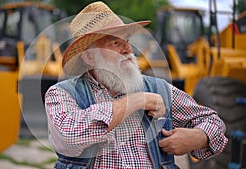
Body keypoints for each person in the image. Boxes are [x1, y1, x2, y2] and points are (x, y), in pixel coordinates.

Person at [44, 1, 228, 169]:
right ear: (89, 56)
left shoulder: (158, 88)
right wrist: (136, 100)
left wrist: (198, 137)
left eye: (127, 41)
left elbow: (214, 121)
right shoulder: (60, 94)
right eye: (115, 43)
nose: (128, 49)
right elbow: (69, 137)